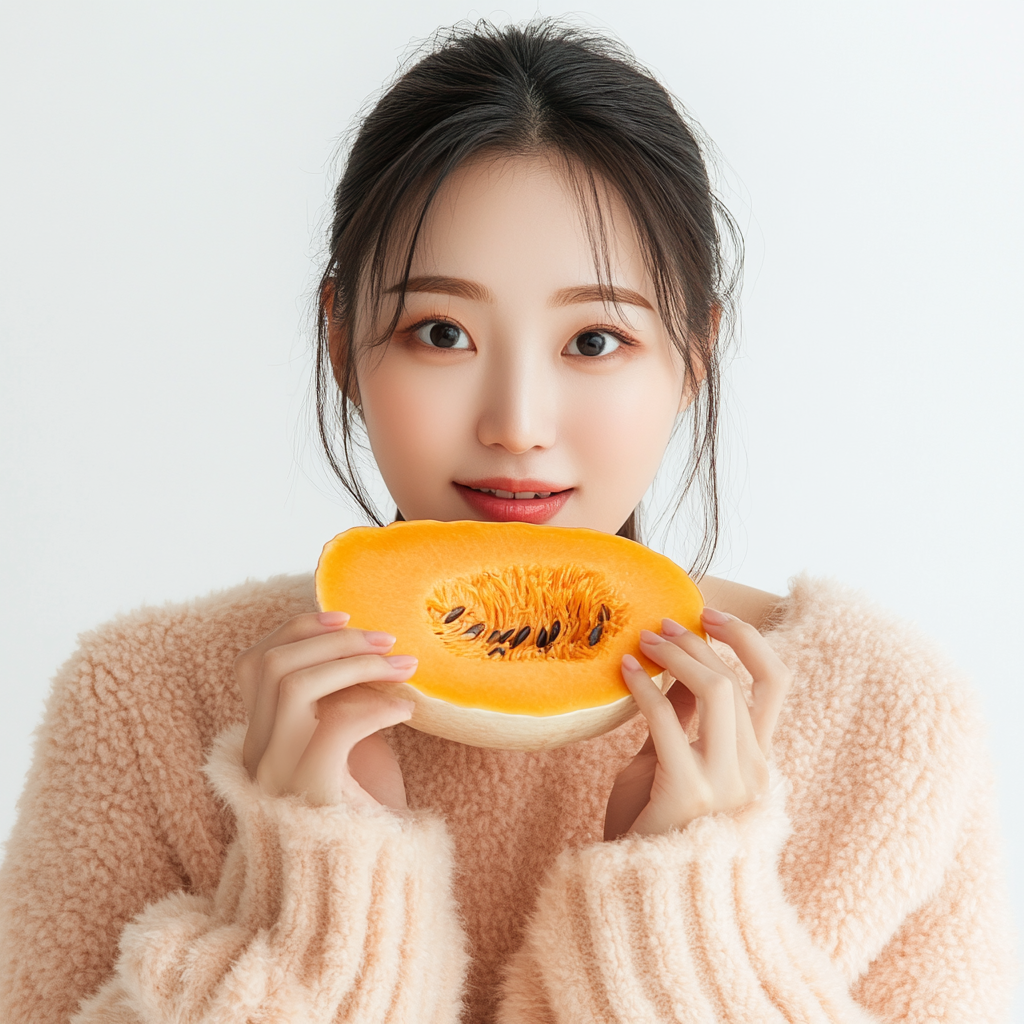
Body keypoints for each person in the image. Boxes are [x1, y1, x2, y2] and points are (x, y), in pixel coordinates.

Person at [0, 18, 1016, 1024]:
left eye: (595, 339)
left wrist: (687, 915)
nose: (517, 425)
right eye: (441, 332)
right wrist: (316, 892)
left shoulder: (887, 726)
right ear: (344, 343)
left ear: (694, 355)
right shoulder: (141, 705)